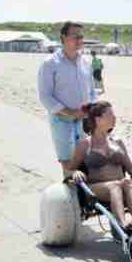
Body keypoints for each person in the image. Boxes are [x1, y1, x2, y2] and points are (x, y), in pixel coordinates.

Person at [67, 101, 132, 228]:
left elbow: (131, 168)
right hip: (96, 189)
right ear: (98, 120)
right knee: (115, 185)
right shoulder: (84, 145)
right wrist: (75, 172)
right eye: (110, 116)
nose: (115, 118)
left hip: (120, 185)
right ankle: (121, 224)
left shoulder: (118, 142)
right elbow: (70, 170)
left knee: (127, 181)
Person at [37, 21, 97, 177]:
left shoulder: (85, 62)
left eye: (81, 36)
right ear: (63, 38)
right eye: (75, 36)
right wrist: (70, 112)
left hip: (84, 122)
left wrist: (92, 111)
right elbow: (45, 96)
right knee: (69, 166)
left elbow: (91, 91)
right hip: (61, 121)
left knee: (85, 162)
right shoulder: (50, 64)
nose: (79, 40)